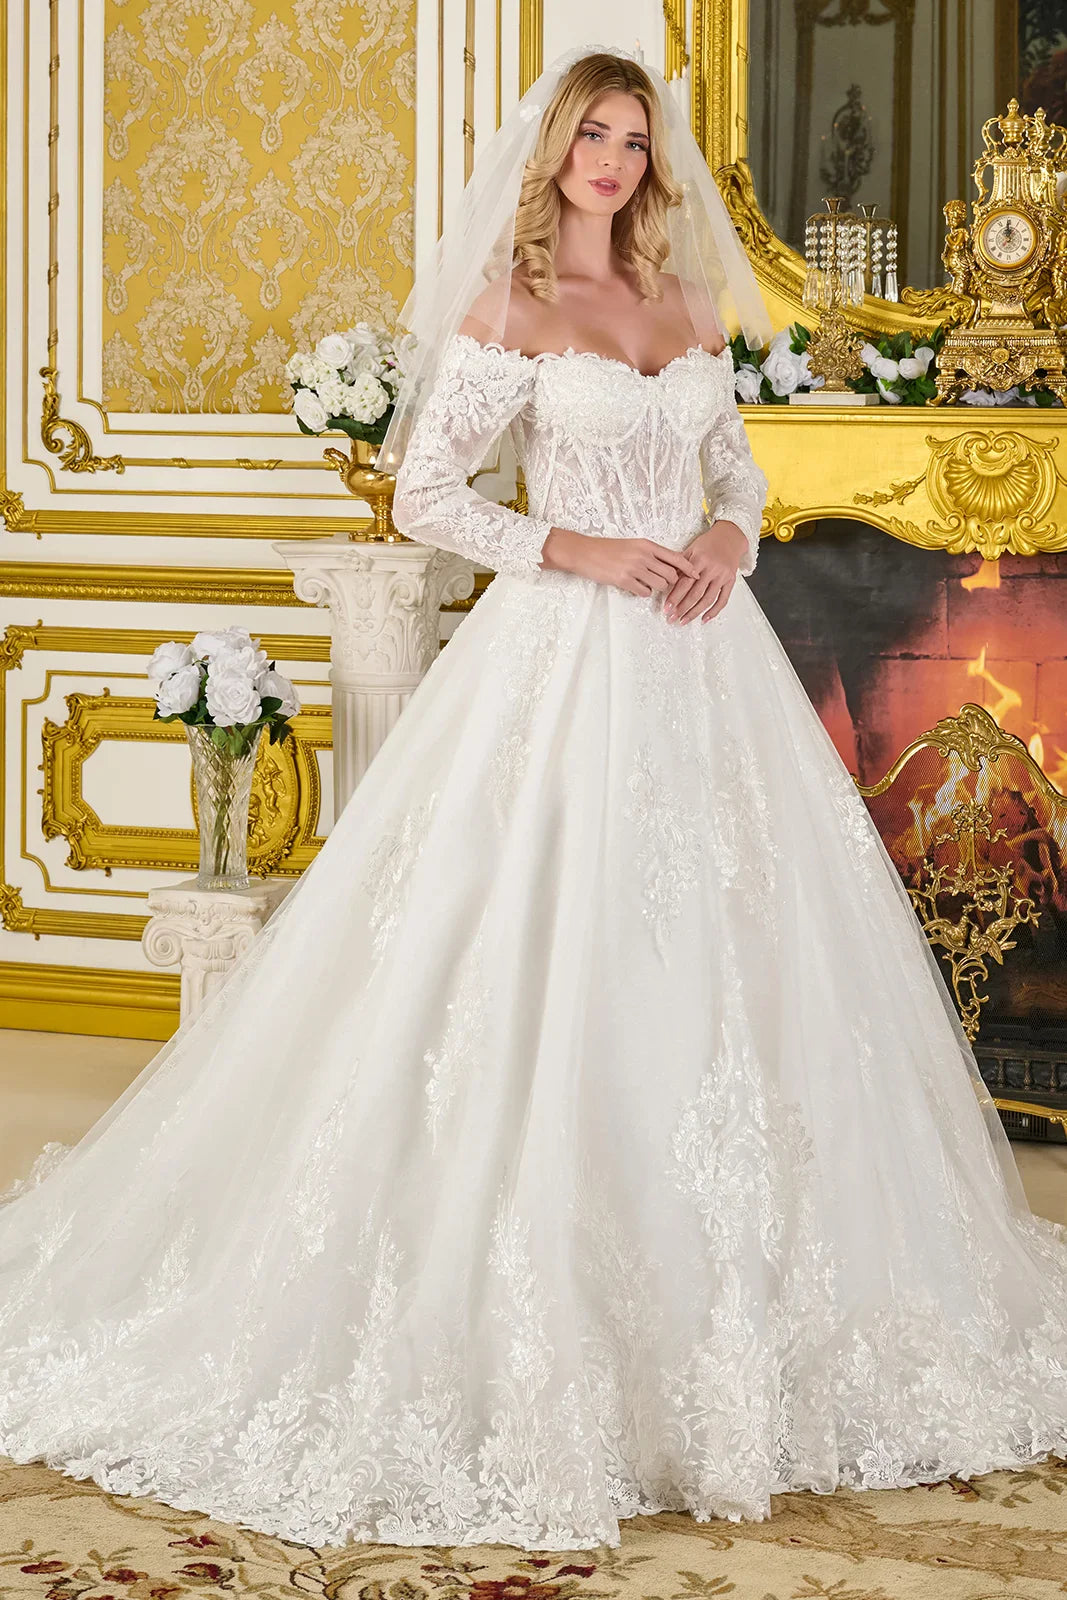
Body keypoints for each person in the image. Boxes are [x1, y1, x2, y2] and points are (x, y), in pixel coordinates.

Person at [1, 43, 1066, 1556]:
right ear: (556, 148)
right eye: (593, 135)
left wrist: (722, 540)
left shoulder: (686, 302)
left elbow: (741, 479)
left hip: (705, 664)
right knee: (532, 950)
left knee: (734, 964)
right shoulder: (513, 306)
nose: (614, 160)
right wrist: (580, 549)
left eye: (634, 138)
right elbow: (428, 495)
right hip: (564, 659)